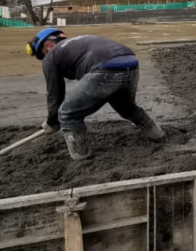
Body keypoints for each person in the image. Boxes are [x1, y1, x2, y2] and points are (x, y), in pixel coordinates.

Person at [26, 28, 165, 160]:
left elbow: (55, 93)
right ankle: (158, 136)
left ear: (49, 45)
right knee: (127, 108)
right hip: (130, 63)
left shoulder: (51, 56)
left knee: (68, 114)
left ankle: (81, 157)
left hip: (105, 69)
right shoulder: (78, 43)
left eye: (43, 52)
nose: (44, 56)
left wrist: (52, 121)